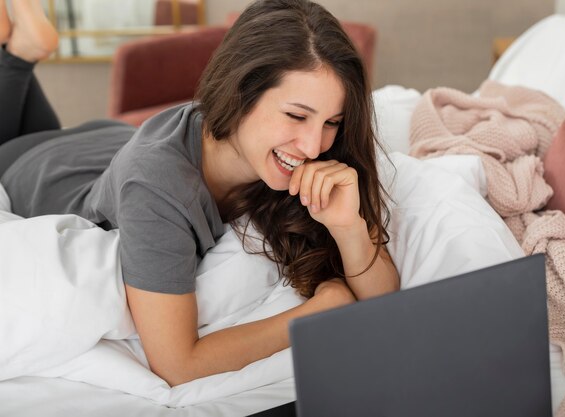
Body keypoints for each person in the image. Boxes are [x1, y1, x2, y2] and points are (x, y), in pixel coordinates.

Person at [0, 0, 399, 386]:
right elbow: (177, 364)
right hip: (36, 170)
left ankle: (19, 53)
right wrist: (320, 310)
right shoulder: (158, 189)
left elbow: (383, 296)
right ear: (240, 92)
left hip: (105, 142)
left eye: (332, 121)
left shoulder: (292, 157)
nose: (314, 146)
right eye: (296, 115)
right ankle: (20, 53)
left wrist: (349, 227)